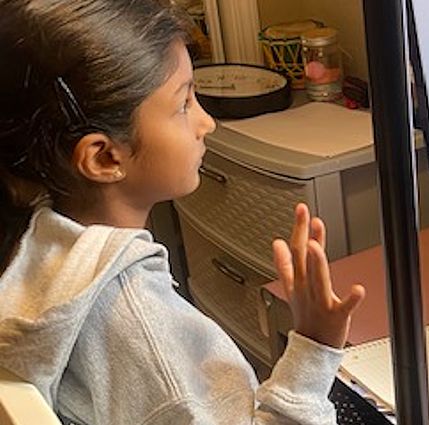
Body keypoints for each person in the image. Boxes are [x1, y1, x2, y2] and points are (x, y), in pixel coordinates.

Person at [0, 1, 365, 424]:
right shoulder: (146, 332)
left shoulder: (34, 242)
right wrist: (315, 345)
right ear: (104, 158)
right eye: (184, 104)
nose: (205, 122)